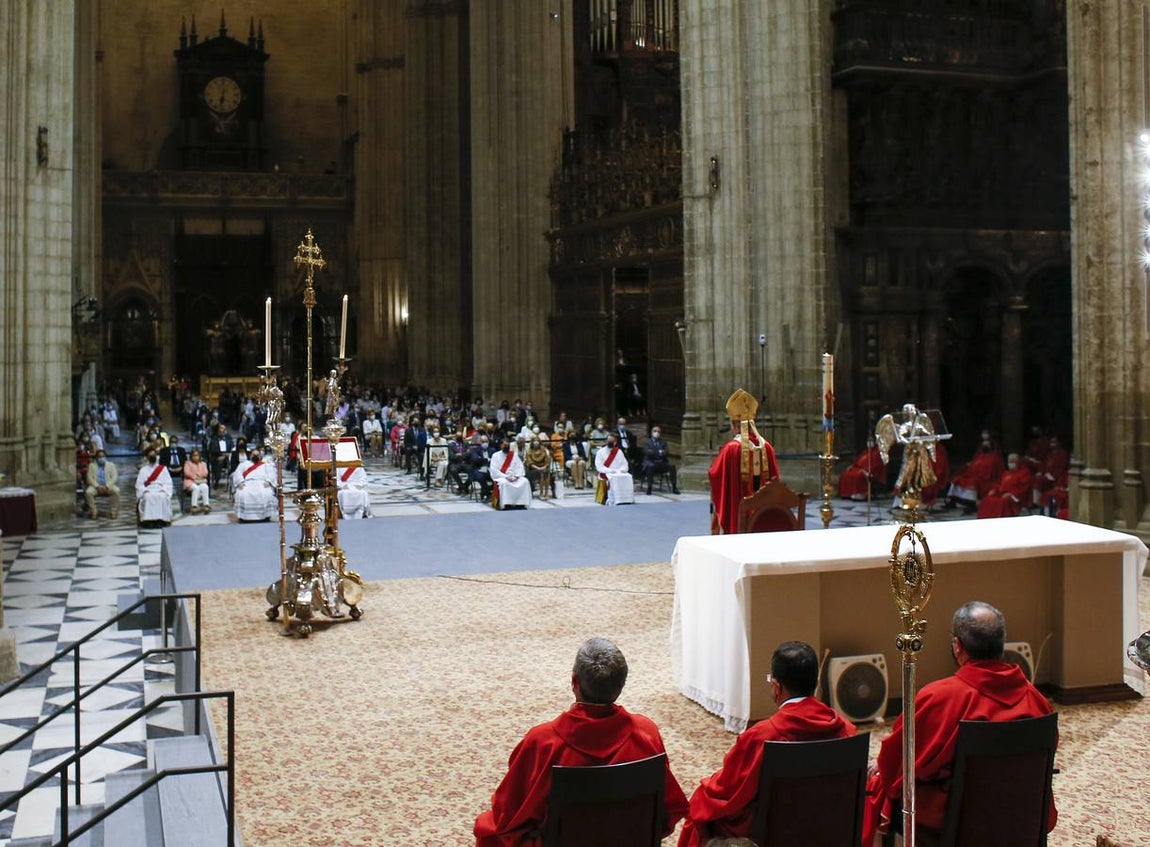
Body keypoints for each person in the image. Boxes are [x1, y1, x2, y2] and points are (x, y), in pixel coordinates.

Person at [862, 601, 1057, 846]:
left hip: (958, 826)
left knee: (877, 783)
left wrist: (882, 766)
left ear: (957, 646)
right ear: (1001, 645)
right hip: (1021, 819)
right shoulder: (1037, 700)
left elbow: (898, 764)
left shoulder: (939, 698)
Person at [474, 637, 689, 847]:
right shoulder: (647, 733)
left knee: (489, 829)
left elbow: (507, 813)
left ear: (574, 681)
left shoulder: (542, 742)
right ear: (621, 685)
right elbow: (665, 811)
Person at [678, 642, 857, 847]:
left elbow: (726, 791)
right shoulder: (847, 730)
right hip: (830, 826)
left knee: (701, 806)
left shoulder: (762, 736)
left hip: (777, 832)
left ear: (777, 686)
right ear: (815, 682)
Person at [709, 389, 780, 533]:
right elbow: (775, 481)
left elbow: (715, 475)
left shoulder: (731, 449)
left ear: (735, 425)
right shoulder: (767, 447)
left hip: (738, 513)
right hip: (763, 517)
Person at [946, 430, 1005, 510]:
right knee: (957, 479)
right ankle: (953, 500)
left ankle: (971, 503)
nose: (984, 445)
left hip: (984, 479)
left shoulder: (995, 457)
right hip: (973, 475)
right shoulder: (980, 455)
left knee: (973, 483)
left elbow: (993, 471)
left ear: (991, 446)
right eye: (983, 444)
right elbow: (974, 463)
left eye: (986, 444)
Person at [976, 452, 1033, 518]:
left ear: (1018, 462)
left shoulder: (1024, 472)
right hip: (1002, 494)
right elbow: (999, 484)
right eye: (1009, 462)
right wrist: (994, 490)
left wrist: (1011, 494)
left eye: (1013, 462)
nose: (1010, 464)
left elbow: (1023, 487)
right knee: (987, 499)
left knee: (1002, 502)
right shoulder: (1006, 473)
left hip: (1013, 497)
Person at [232, 448, 277, 522]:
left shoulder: (266, 465)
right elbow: (237, 473)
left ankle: (266, 516)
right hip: (247, 483)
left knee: (266, 493)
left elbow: (272, 473)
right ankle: (243, 517)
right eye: (253, 455)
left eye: (257, 455)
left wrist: (269, 481)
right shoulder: (244, 464)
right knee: (242, 494)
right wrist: (240, 482)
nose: (255, 456)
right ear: (250, 456)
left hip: (262, 483)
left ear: (260, 456)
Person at [489, 436, 532, 509]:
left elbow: (520, 467)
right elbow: (494, 470)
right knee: (504, 483)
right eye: (505, 445)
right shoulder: (495, 455)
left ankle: (521, 503)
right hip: (502, 477)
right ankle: (506, 504)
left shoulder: (513, 455)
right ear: (501, 445)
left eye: (508, 445)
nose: (506, 447)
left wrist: (516, 476)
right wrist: (506, 477)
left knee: (525, 481)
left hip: (514, 477)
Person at [135, 447, 173, 526]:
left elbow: (168, 482)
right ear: (147, 457)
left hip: (160, 489)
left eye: (153, 454)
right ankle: (148, 521)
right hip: (148, 489)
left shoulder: (163, 469)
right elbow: (139, 484)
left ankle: (162, 520)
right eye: (150, 455)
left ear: (156, 455)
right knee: (148, 497)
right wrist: (144, 490)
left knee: (162, 496)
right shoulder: (143, 470)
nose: (152, 456)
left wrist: (164, 490)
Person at [595, 433, 635, 505]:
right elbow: (599, 466)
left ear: (615, 442)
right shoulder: (600, 452)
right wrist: (610, 471)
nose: (610, 442)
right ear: (606, 441)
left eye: (612, 441)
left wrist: (621, 470)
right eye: (609, 440)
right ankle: (612, 499)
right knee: (613, 478)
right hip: (606, 473)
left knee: (628, 477)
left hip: (618, 473)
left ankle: (626, 499)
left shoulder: (619, 452)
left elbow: (624, 464)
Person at [640, 425, 679, 495]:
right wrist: (659, 452)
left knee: (672, 467)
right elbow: (648, 452)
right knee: (651, 466)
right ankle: (649, 487)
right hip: (651, 462)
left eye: (658, 431)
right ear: (652, 432)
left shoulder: (663, 442)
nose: (656, 433)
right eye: (655, 431)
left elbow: (666, 452)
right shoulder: (647, 442)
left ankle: (674, 487)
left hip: (661, 463)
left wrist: (656, 452)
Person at [84, 449, 120, 519]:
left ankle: (113, 512)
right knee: (88, 492)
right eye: (100, 457)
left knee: (116, 491)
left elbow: (114, 477)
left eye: (103, 456)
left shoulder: (111, 465)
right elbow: (89, 478)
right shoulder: (91, 465)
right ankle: (94, 511)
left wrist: (106, 486)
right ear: (96, 458)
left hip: (108, 486)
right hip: (96, 486)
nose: (101, 458)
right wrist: (97, 486)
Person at [182, 448, 211, 513]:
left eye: (197, 455)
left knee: (205, 487)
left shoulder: (203, 464)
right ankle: (194, 506)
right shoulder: (187, 463)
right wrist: (195, 477)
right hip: (190, 482)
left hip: (200, 481)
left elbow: (205, 473)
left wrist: (198, 475)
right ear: (191, 456)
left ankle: (206, 505)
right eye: (194, 455)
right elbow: (186, 473)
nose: (195, 457)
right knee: (196, 488)